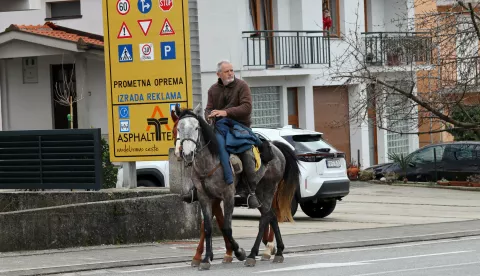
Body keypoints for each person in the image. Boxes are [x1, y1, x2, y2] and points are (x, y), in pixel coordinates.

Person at [181, 60, 262, 209]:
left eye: (232, 70)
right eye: (227, 71)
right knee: (198, 150)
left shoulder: (242, 86)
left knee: (247, 153)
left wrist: (226, 112)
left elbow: (247, 107)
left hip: (239, 127)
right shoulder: (212, 90)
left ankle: (251, 192)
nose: (231, 73)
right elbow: (208, 108)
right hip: (218, 127)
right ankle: (196, 188)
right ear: (219, 74)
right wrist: (208, 115)